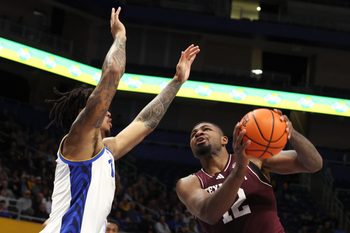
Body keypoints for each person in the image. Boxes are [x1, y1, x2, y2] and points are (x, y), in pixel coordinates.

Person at [40, 6, 200, 233]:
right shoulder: (77, 140)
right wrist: (120, 36)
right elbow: (113, 71)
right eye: (103, 108)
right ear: (83, 112)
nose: (109, 112)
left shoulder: (106, 150)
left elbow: (145, 123)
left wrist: (177, 81)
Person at [176, 110, 323, 233]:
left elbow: (314, 164)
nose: (198, 133)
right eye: (193, 134)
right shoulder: (189, 183)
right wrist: (239, 170)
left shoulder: (255, 159)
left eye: (206, 129)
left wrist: (292, 133)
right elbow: (210, 214)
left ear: (224, 140)